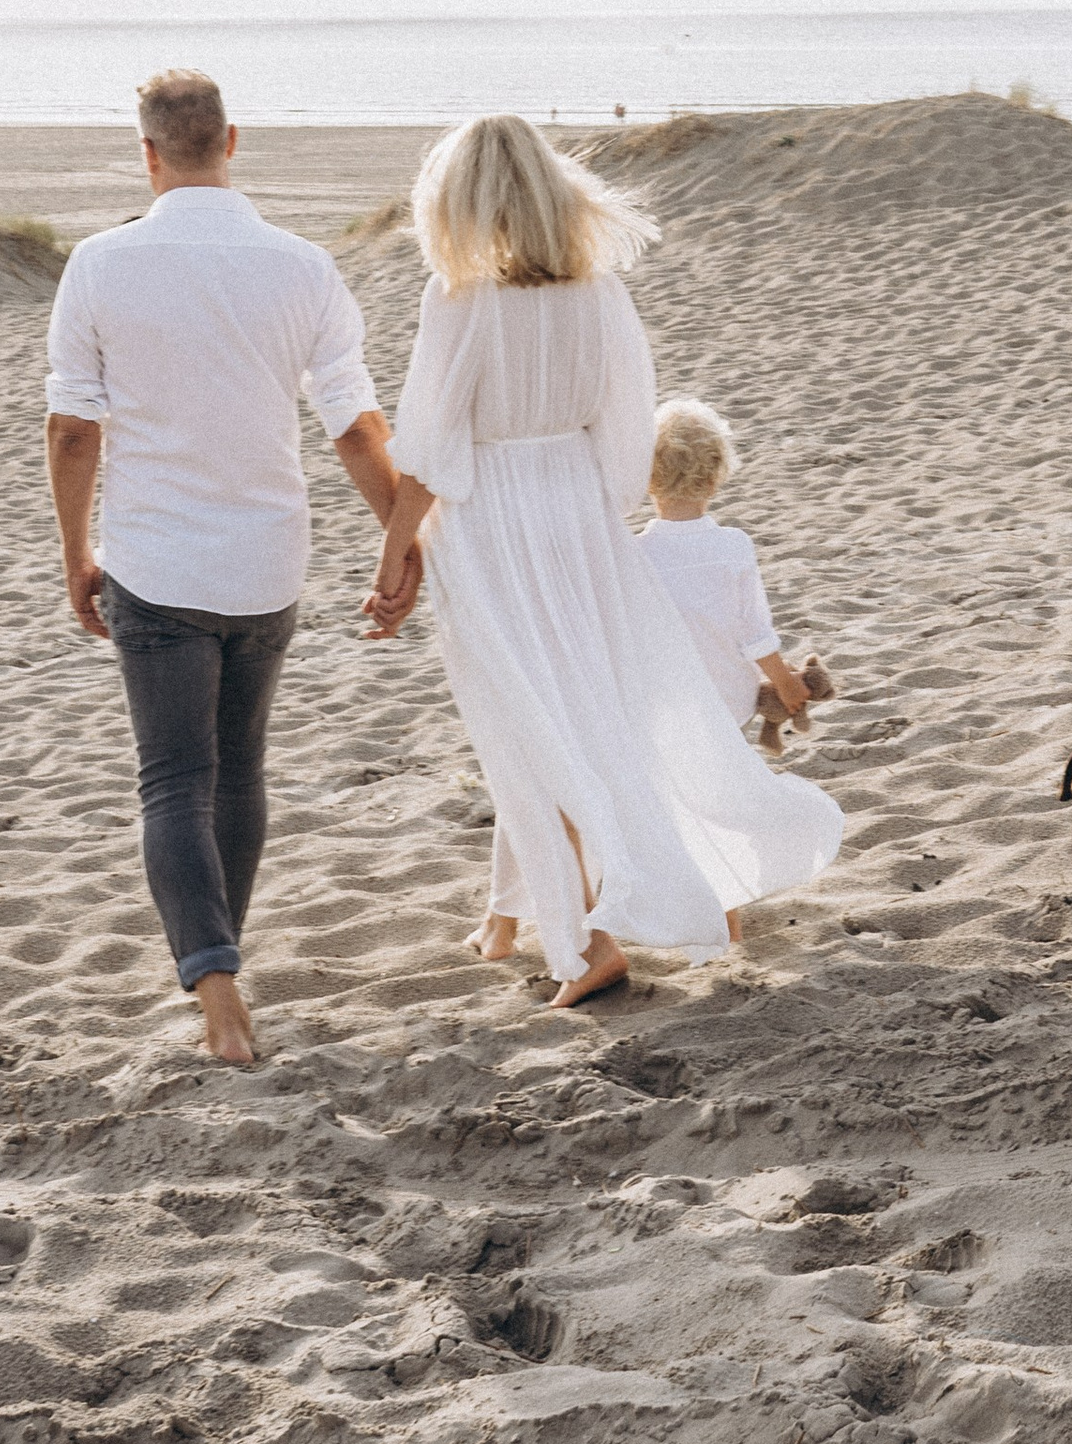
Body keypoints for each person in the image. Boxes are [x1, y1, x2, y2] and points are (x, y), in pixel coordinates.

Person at [362, 116, 843, 1008]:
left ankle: (583, 944)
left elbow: (426, 450)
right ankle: (561, 911)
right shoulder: (601, 294)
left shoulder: (458, 298)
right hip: (579, 517)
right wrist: (584, 511)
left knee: (523, 728)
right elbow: (626, 442)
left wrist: (395, 557)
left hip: (489, 525)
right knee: (582, 714)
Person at [44, 68, 405, 1069]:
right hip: (266, 558)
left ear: (148, 153)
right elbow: (356, 424)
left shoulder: (101, 263)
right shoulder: (302, 267)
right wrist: (399, 542)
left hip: (155, 560)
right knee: (237, 770)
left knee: (174, 777)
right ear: (231, 141)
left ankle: (216, 989)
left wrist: (77, 551)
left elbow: (74, 428)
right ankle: (220, 966)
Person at [638, 397, 836, 760]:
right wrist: (785, 683)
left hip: (662, 706)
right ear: (716, 477)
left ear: (648, 479)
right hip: (732, 700)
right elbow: (754, 632)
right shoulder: (733, 546)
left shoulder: (633, 553)